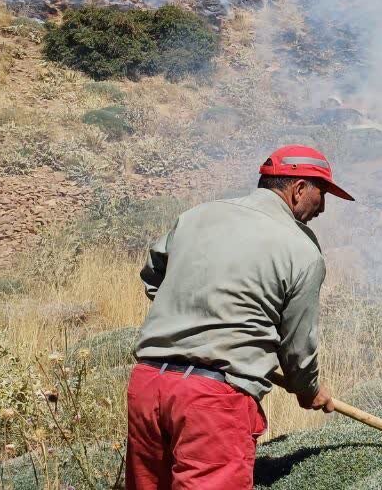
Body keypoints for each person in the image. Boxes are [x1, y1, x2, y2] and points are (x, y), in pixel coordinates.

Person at [125, 145, 354, 489]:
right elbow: (297, 344)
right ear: (299, 188)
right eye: (322, 193)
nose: (322, 207)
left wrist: (187, 314)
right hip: (212, 400)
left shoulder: (197, 215)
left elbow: (153, 274)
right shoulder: (302, 250)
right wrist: (307, 390)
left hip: (149, 385)